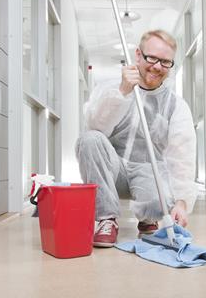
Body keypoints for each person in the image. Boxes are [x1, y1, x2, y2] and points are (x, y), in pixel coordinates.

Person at [76, 30, 197, 247]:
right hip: (113, 170)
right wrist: (122, 92)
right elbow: (95, 127)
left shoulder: (176, 106)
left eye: (165, 62)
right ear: (138, 55)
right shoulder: (111, 88)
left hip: (148, 171)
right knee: (89, 139)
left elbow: (182, 157)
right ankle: (107, 219)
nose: (158, 66)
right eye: (152, 58)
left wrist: (181, 202)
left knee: (158, 198)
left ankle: (148, 219)